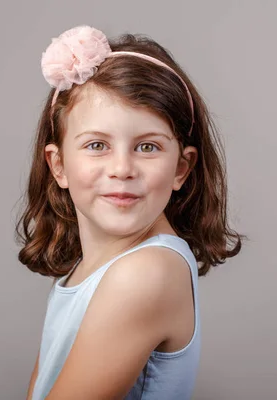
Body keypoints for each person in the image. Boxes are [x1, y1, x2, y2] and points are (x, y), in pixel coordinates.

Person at [16, 25, 244, 400]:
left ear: (180, 169)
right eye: (96, 145)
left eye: (148, 148)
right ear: (59, 166)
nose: (122, 168)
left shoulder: (144, 274)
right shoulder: (92, 268)